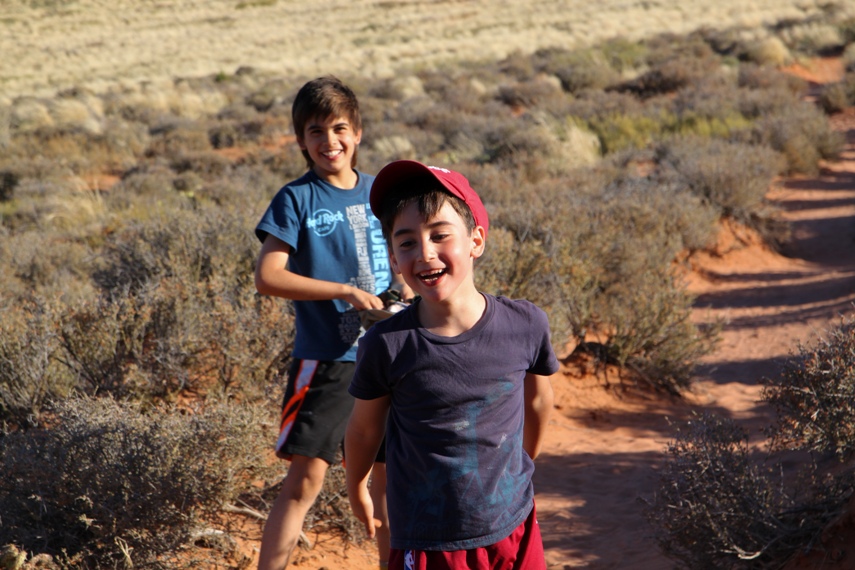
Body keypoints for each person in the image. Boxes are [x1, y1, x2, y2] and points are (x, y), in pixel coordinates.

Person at [345, 160, 559, 570]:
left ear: (476, 240)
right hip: (428, 539)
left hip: (514, 524)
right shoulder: (387, 345)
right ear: (393, 257)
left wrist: (520, 465)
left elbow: (538, 403)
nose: (425, 253)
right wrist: (357, 484)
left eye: (440, 235)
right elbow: (364, 428)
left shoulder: (525, 324)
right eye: (406, 242)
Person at [254, 75, 402, 570]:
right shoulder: (295, 199)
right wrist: (343, 291)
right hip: (327, 360)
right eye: (315, 131)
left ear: (357, 133)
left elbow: (402, 258)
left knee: (388, 482)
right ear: (301, 140)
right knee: (305, 480)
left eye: (339, 128)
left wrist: (400, 292)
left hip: (389, 354)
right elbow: (269, 276)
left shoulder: (380, 192)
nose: (329, 141)